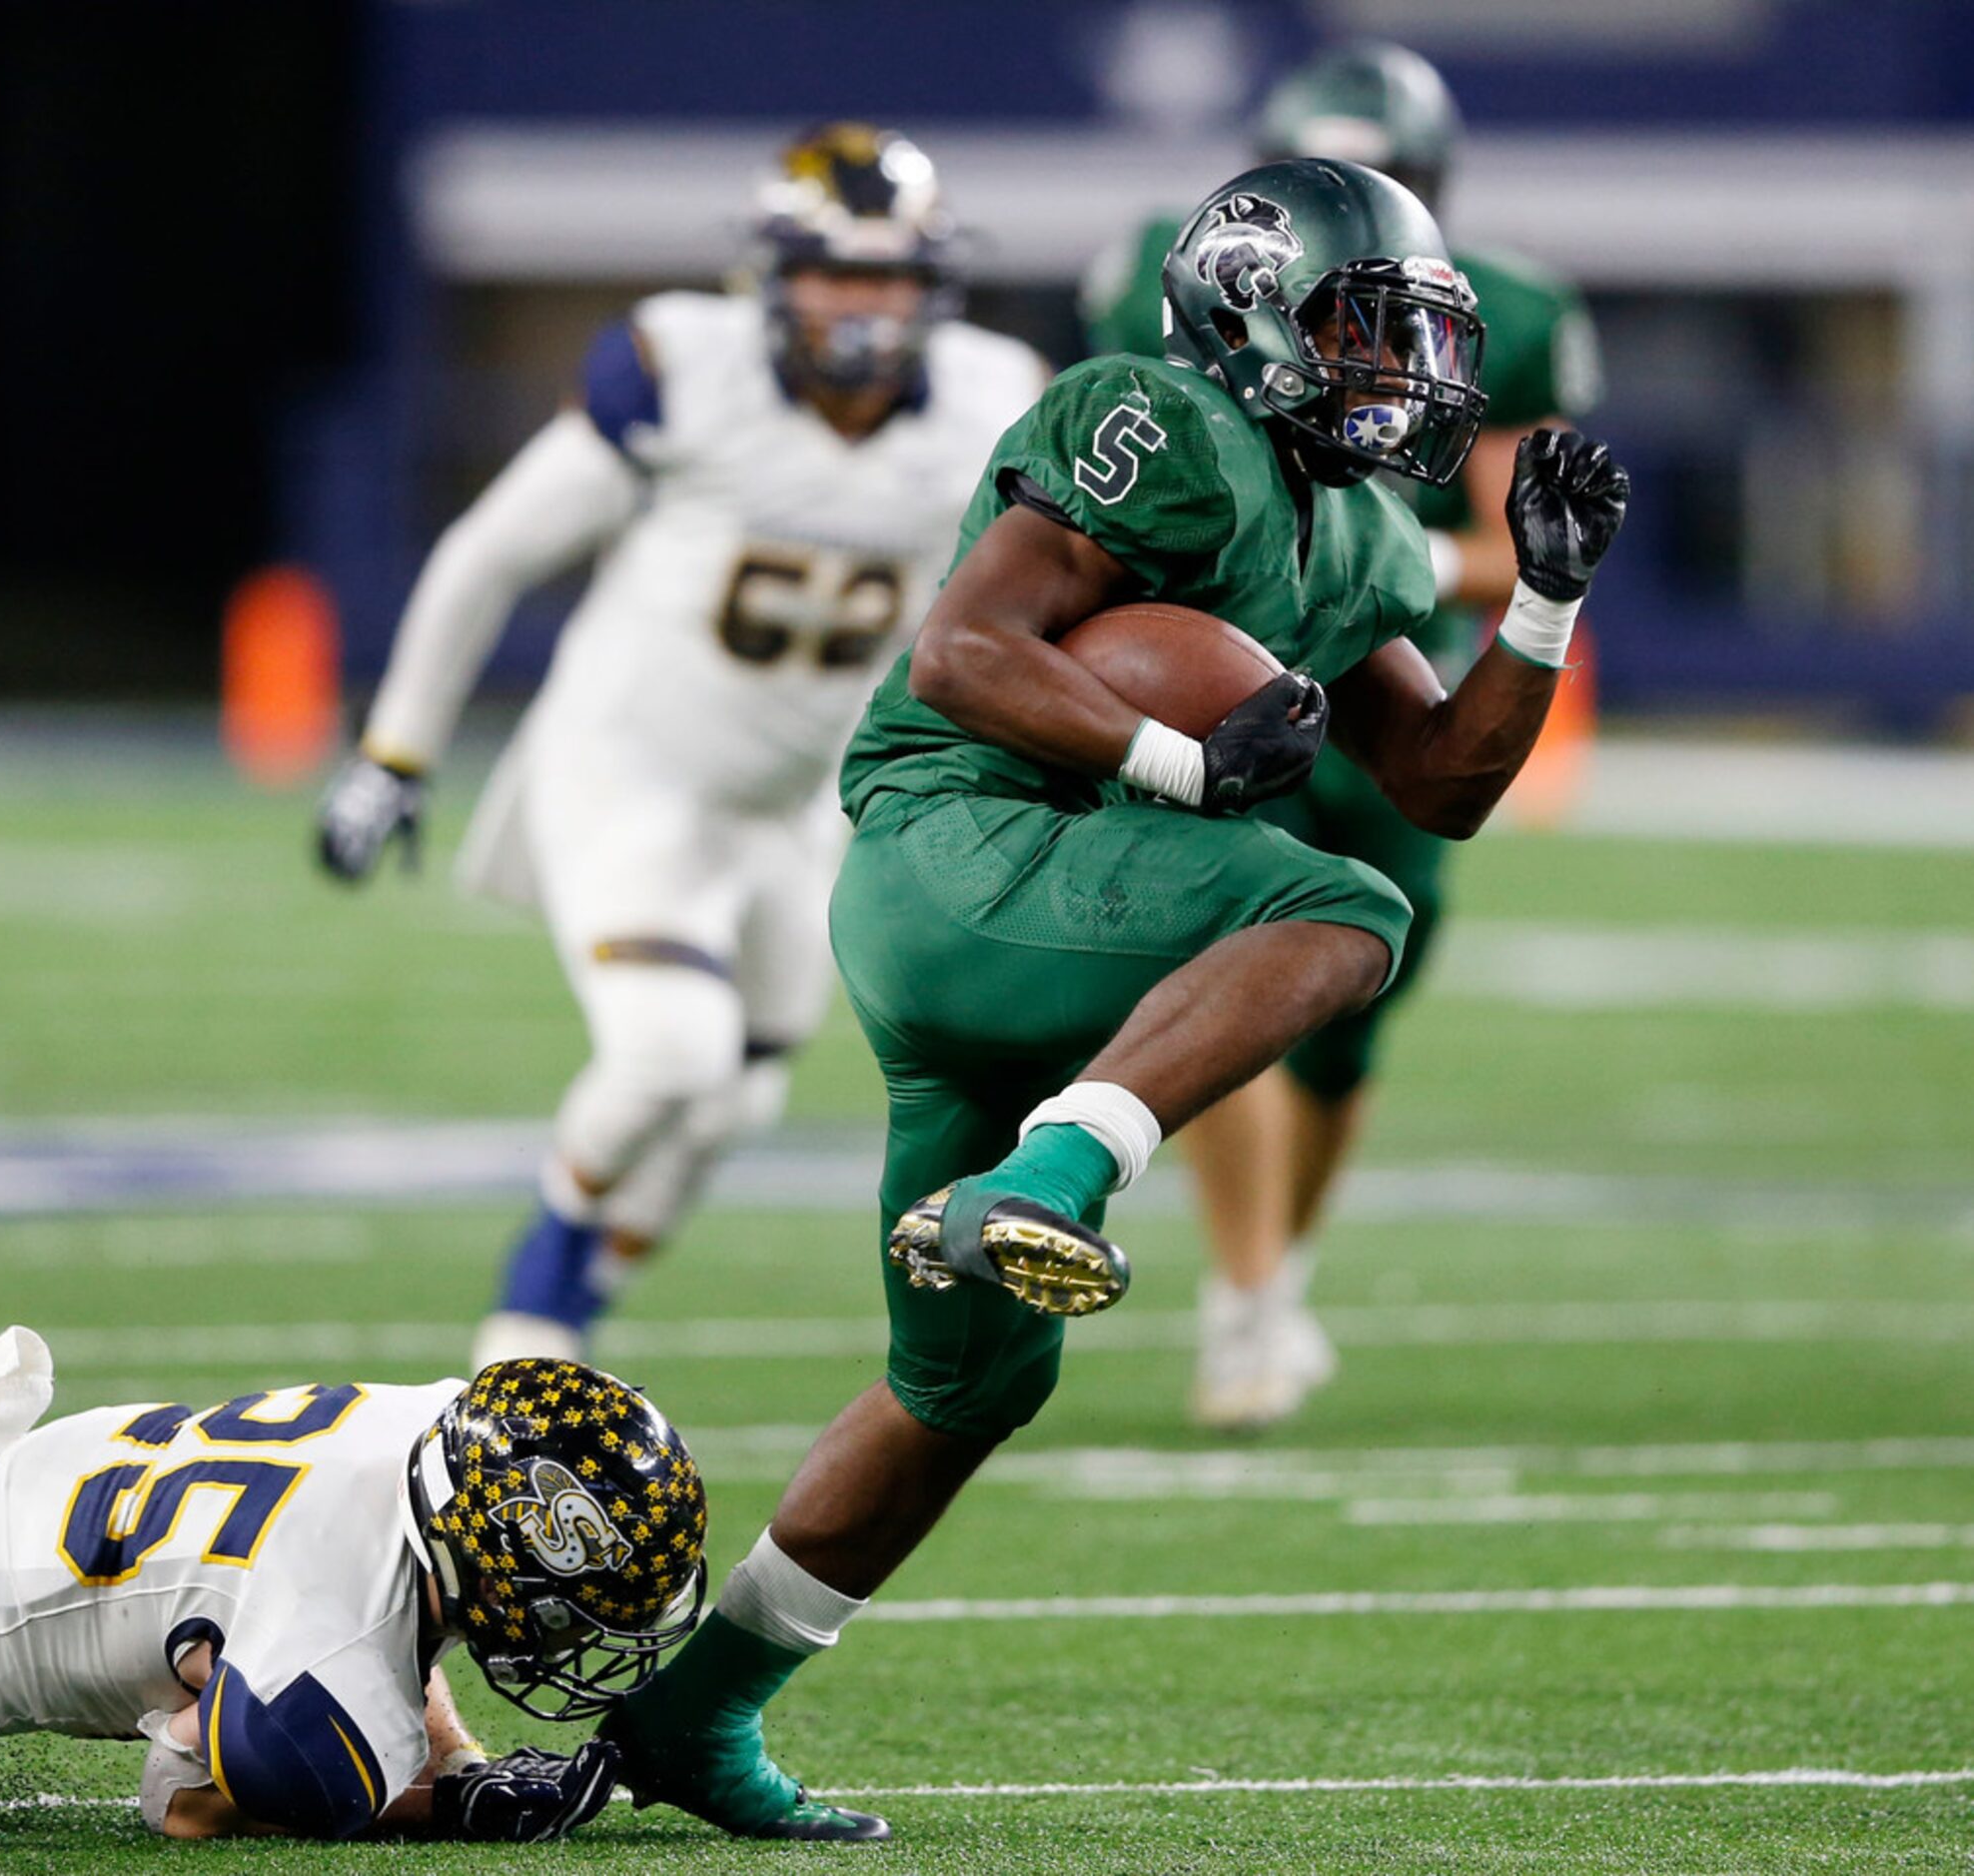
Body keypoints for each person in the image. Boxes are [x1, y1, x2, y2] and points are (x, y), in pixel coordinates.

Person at [590, 156, 1627, 1841]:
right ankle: (1055, 1174)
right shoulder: (1150, 416)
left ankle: (695, 1715)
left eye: (1415, 344)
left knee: (967, 1387)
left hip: (1050, 920)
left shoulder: (1355, 525)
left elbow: (1436, 776)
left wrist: (1541, 598)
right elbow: (963, 651)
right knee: (1342, 904)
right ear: (1251, 312)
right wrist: (1171, 750)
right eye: (1366, 336)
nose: (1405, 379)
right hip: (958, 847)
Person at [314, 124, 1048, 1372]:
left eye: (882, 277)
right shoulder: (684, 369)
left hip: (805, 801)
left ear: (931, 286)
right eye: (833, 274)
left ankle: (574, 1312)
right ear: (769, 278)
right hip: (631, 767)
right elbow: (489, 552)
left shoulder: (994, 399)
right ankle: (529, 1310)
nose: (859, 307)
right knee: (668, 1053)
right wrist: (395, 753)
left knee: (734, 1099)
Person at [1082, 41, 1606, 1429]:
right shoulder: (1163, 272)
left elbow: (1509, 535)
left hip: (1385, 682)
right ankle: (1240, 1294)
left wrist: (1377, 568)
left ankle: (1266, 1284)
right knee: (1221, 969)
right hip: (1216, 674)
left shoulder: (1501, 304)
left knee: (1342, 1026)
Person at [0, 1327, 704, 1842]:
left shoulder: (454, 1424)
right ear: (491, 1575)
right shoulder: (329, 1648)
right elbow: (179, 1797)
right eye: (576, 1611)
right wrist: (447, 1806)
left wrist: (455, 1759)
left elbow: (391, 1589)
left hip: (49, 1467)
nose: (585, 1633)